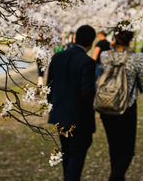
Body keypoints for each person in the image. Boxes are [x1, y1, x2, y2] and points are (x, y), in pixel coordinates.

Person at [47, 25, 96, 181]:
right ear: (91, 43)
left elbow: (50, 87)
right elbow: (86, 92)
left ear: (75, 38)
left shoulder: (57, 57)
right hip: (79, 118)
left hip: (60, 115)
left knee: (67, 153)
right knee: (77, 156)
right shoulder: (87, 62)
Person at [99, 30, 143, 181]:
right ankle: (114, 178)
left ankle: (118, 177)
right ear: (131, 39)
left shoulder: (104, 55)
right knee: (128, 150)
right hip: (127, 107)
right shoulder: (137, 58)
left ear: (114, 37)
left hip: (106, 105)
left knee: (114, 146)